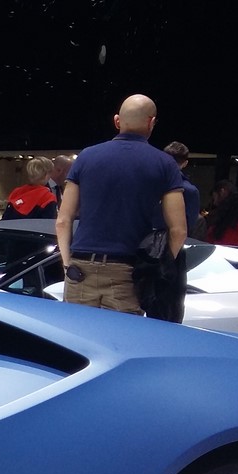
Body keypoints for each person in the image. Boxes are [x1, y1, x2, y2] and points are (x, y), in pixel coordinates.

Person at [55, 94, 187, 316]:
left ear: (117, 121)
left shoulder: (86, 157)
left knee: (76, 335)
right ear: (151, 122)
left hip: (80, 269)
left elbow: (62, 220)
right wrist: (155, 270)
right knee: (121, 336)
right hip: (128, 273)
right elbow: (179, 230)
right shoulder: (165, 163)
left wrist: (68, 264)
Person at [161, 142, 201, 238]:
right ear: (185, 163)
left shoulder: (148, 183)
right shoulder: (191, 191)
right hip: (172, 241)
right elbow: (189, 225)